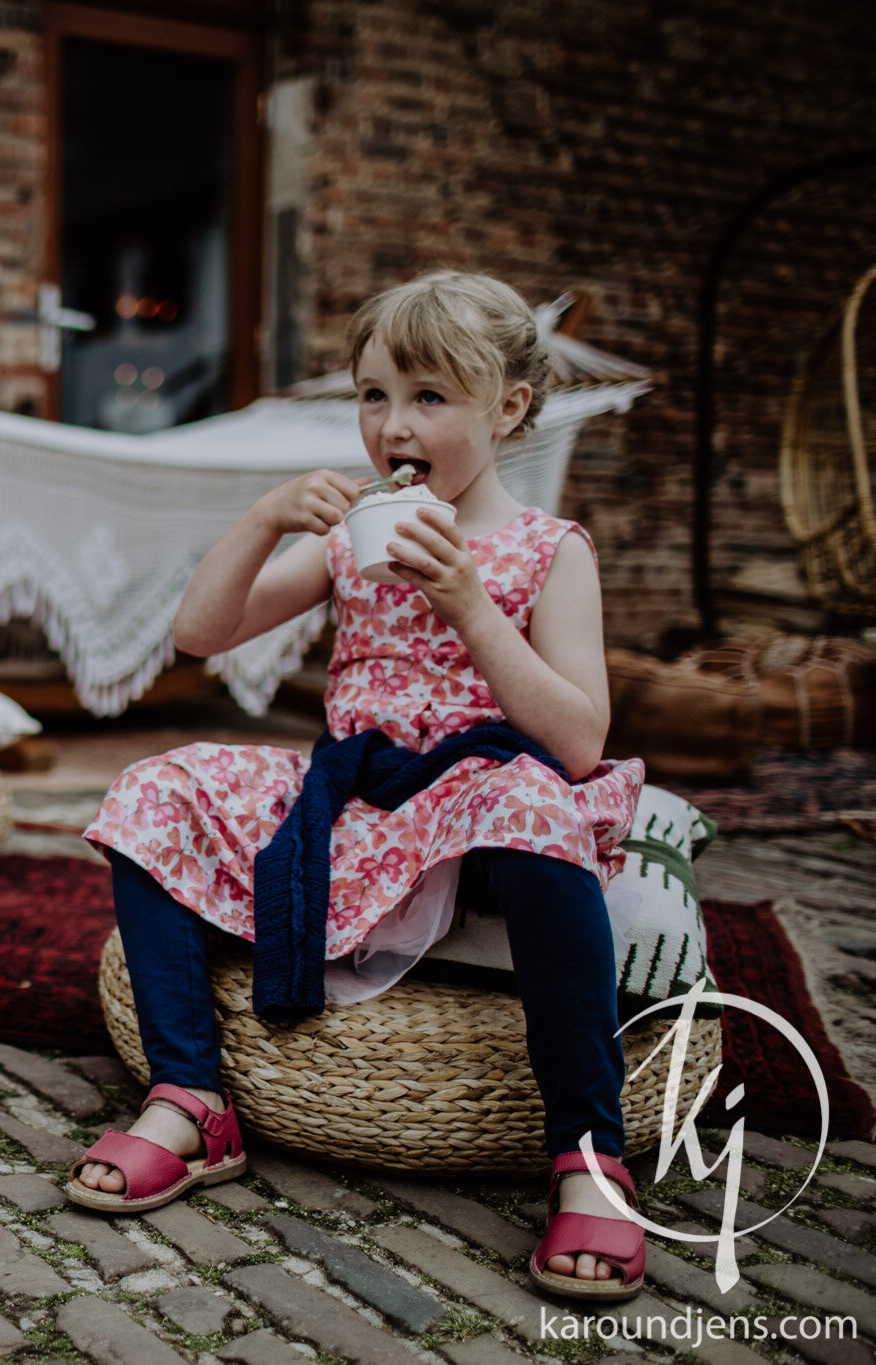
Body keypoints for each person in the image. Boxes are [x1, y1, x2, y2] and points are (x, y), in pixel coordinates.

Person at [73, 272, 649, 1302]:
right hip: (353, 805)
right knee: (156, 786)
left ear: (506, 409)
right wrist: (262, 521)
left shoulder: (545, 551)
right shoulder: (350, 535)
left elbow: (574, 741)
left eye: (428, 397)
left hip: (474, 808)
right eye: (373, 395)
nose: (392, 424)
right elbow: (200, 635)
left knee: (527, 795)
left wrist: (469, 602)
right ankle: (189, 1096)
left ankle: (587, 1155)